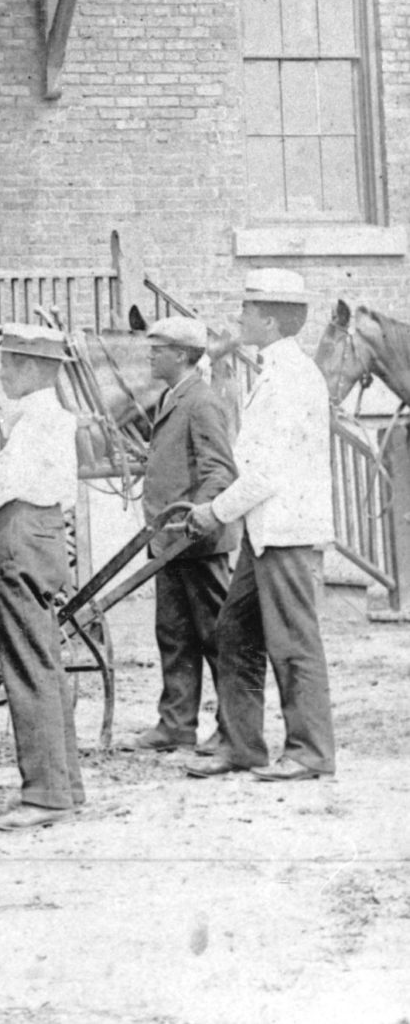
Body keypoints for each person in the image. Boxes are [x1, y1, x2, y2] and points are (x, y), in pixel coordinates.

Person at [186, 269, 336, 783]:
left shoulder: (293, 378)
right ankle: (242, 744)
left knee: (293, 643)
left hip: (286, 532)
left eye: (248, 311)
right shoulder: (273, 370)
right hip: (263, 532)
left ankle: (310, 752)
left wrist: (215, 512)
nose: (240, 317)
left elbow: (268, 471)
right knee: (234, 631)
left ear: (270, 320)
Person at [0, 325, 85, 831]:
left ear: (35, 369)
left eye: (10, 364)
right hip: (39, 538)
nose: (0, 372)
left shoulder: (35, 422)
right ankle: (65, 785)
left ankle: (45, 795)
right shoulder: (47, 418)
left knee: (26, 665)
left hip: (20, 538)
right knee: (44, 663)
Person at [131, 316, 238, 754]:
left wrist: (202, 514)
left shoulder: (202, 402)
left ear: (181, 354)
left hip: (198, 540)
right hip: (170, 542)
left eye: (158, 348)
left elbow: (221, 471)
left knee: (218, 637)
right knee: (173, 635)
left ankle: (234, 729)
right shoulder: (172, 398)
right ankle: (176, 724)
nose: (150, 354)